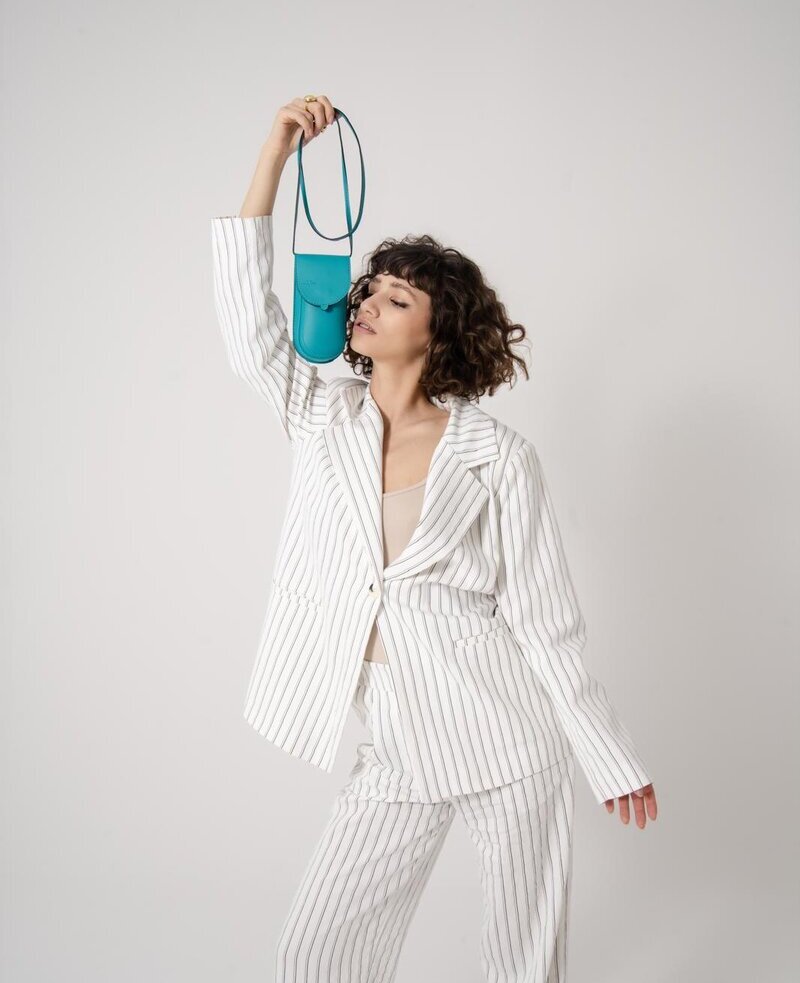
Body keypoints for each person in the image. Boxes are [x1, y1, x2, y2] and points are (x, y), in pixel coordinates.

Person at [211, 93, 658, 983]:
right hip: (396, 746)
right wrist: (275, 155)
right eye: (370, 288)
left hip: (508, 743)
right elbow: (247, 327)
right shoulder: (320, 415)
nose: (370, 301)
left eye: (398, 295)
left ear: (438, 328)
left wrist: (609, 756)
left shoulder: (499, 457)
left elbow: (546, 624)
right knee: (315, 955)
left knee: (522, 967)